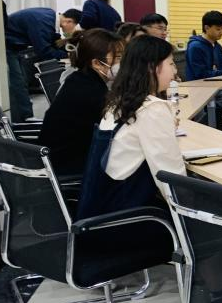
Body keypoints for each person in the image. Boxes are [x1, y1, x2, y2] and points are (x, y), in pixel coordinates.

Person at [77, 35, 185, 219]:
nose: (175, 71)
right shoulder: (153, 109)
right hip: (128, 219)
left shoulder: (118, 101)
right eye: (171, 63)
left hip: (98, 212)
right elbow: (171, 178)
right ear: (152, 67)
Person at [39, 29, 124, 176]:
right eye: (118, 58)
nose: (123, 63)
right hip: (70, 166)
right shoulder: (91, 91)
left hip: (58, 159)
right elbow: (114, 130)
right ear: (97, 63)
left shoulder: (80, 79)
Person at [1, 1, 33, 123]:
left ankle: (24, 117)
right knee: (17, 82)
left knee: (19, 82)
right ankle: (24, 118)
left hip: (8, 45)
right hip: (8, 46)